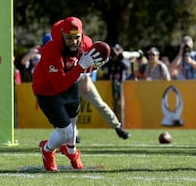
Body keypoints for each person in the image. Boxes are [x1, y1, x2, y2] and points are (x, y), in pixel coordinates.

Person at [32, 17, 129, 171]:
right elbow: (59, 84)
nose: (73, 42)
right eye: (68, 38)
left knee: (72, 123)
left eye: (76, 37)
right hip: (47, 90)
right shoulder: (50, 50)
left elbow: (87, 69)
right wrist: (81, 67)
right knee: (66, 132)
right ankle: (47, 150)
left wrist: (94, 66)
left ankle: (71, 152)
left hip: (70, 83)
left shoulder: (86, 44)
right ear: (61, 36)